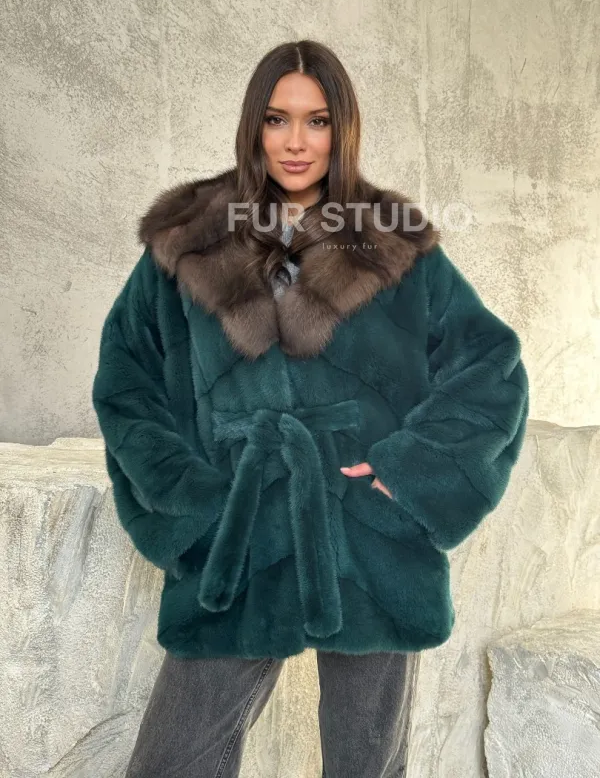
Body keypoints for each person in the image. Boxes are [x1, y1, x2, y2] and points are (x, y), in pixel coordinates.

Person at [92, 40, 529, 778]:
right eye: (277, 119)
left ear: (341, 128)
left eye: (317, 120)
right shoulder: (191, 240)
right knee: (173, 759)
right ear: (254, 126)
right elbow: (126, 379)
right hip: (240, 529)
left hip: (369, 533)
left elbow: (491, 364)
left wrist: (407, 473)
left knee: (367, 765)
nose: (296, 142)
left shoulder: (393, 243)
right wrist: (192, 500)